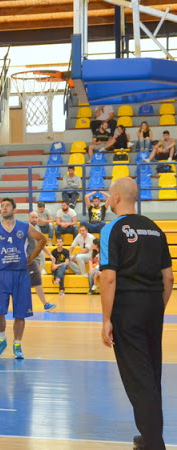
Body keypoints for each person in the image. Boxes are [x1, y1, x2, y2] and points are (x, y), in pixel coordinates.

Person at [100, 176, 173, 450]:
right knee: (151, 375)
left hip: (127, 309)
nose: (108, 200)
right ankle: (149, 436)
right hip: (154, 306)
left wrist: (106, 319)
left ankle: (153, 444)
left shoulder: (111, 229)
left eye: (109, 195)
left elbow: (108, 278)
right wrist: (157, 307)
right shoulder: (155, 228)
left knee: (139, 380)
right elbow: (168, 278)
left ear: (117, 197)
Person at [0, 198, 46, 359]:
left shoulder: (24, 227)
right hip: (1, 275)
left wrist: (31, 257)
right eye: (2, 206)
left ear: (14, 210)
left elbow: (42, 239)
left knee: (20, 314)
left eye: (7, 206)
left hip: (21, 274)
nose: (4, 208)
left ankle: (17, 344)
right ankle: (1, 340)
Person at [27, 212, 57, 311]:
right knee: (37, 281)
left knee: (28, 283)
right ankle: (45, 304)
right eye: (32, 217)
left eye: (36, 217)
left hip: (35, 259)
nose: (34, 219)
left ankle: (22, 304)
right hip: (30, 259)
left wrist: (50, 254)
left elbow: (41, 244)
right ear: (28, 218)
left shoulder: (37, 228)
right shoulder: (27, 228)